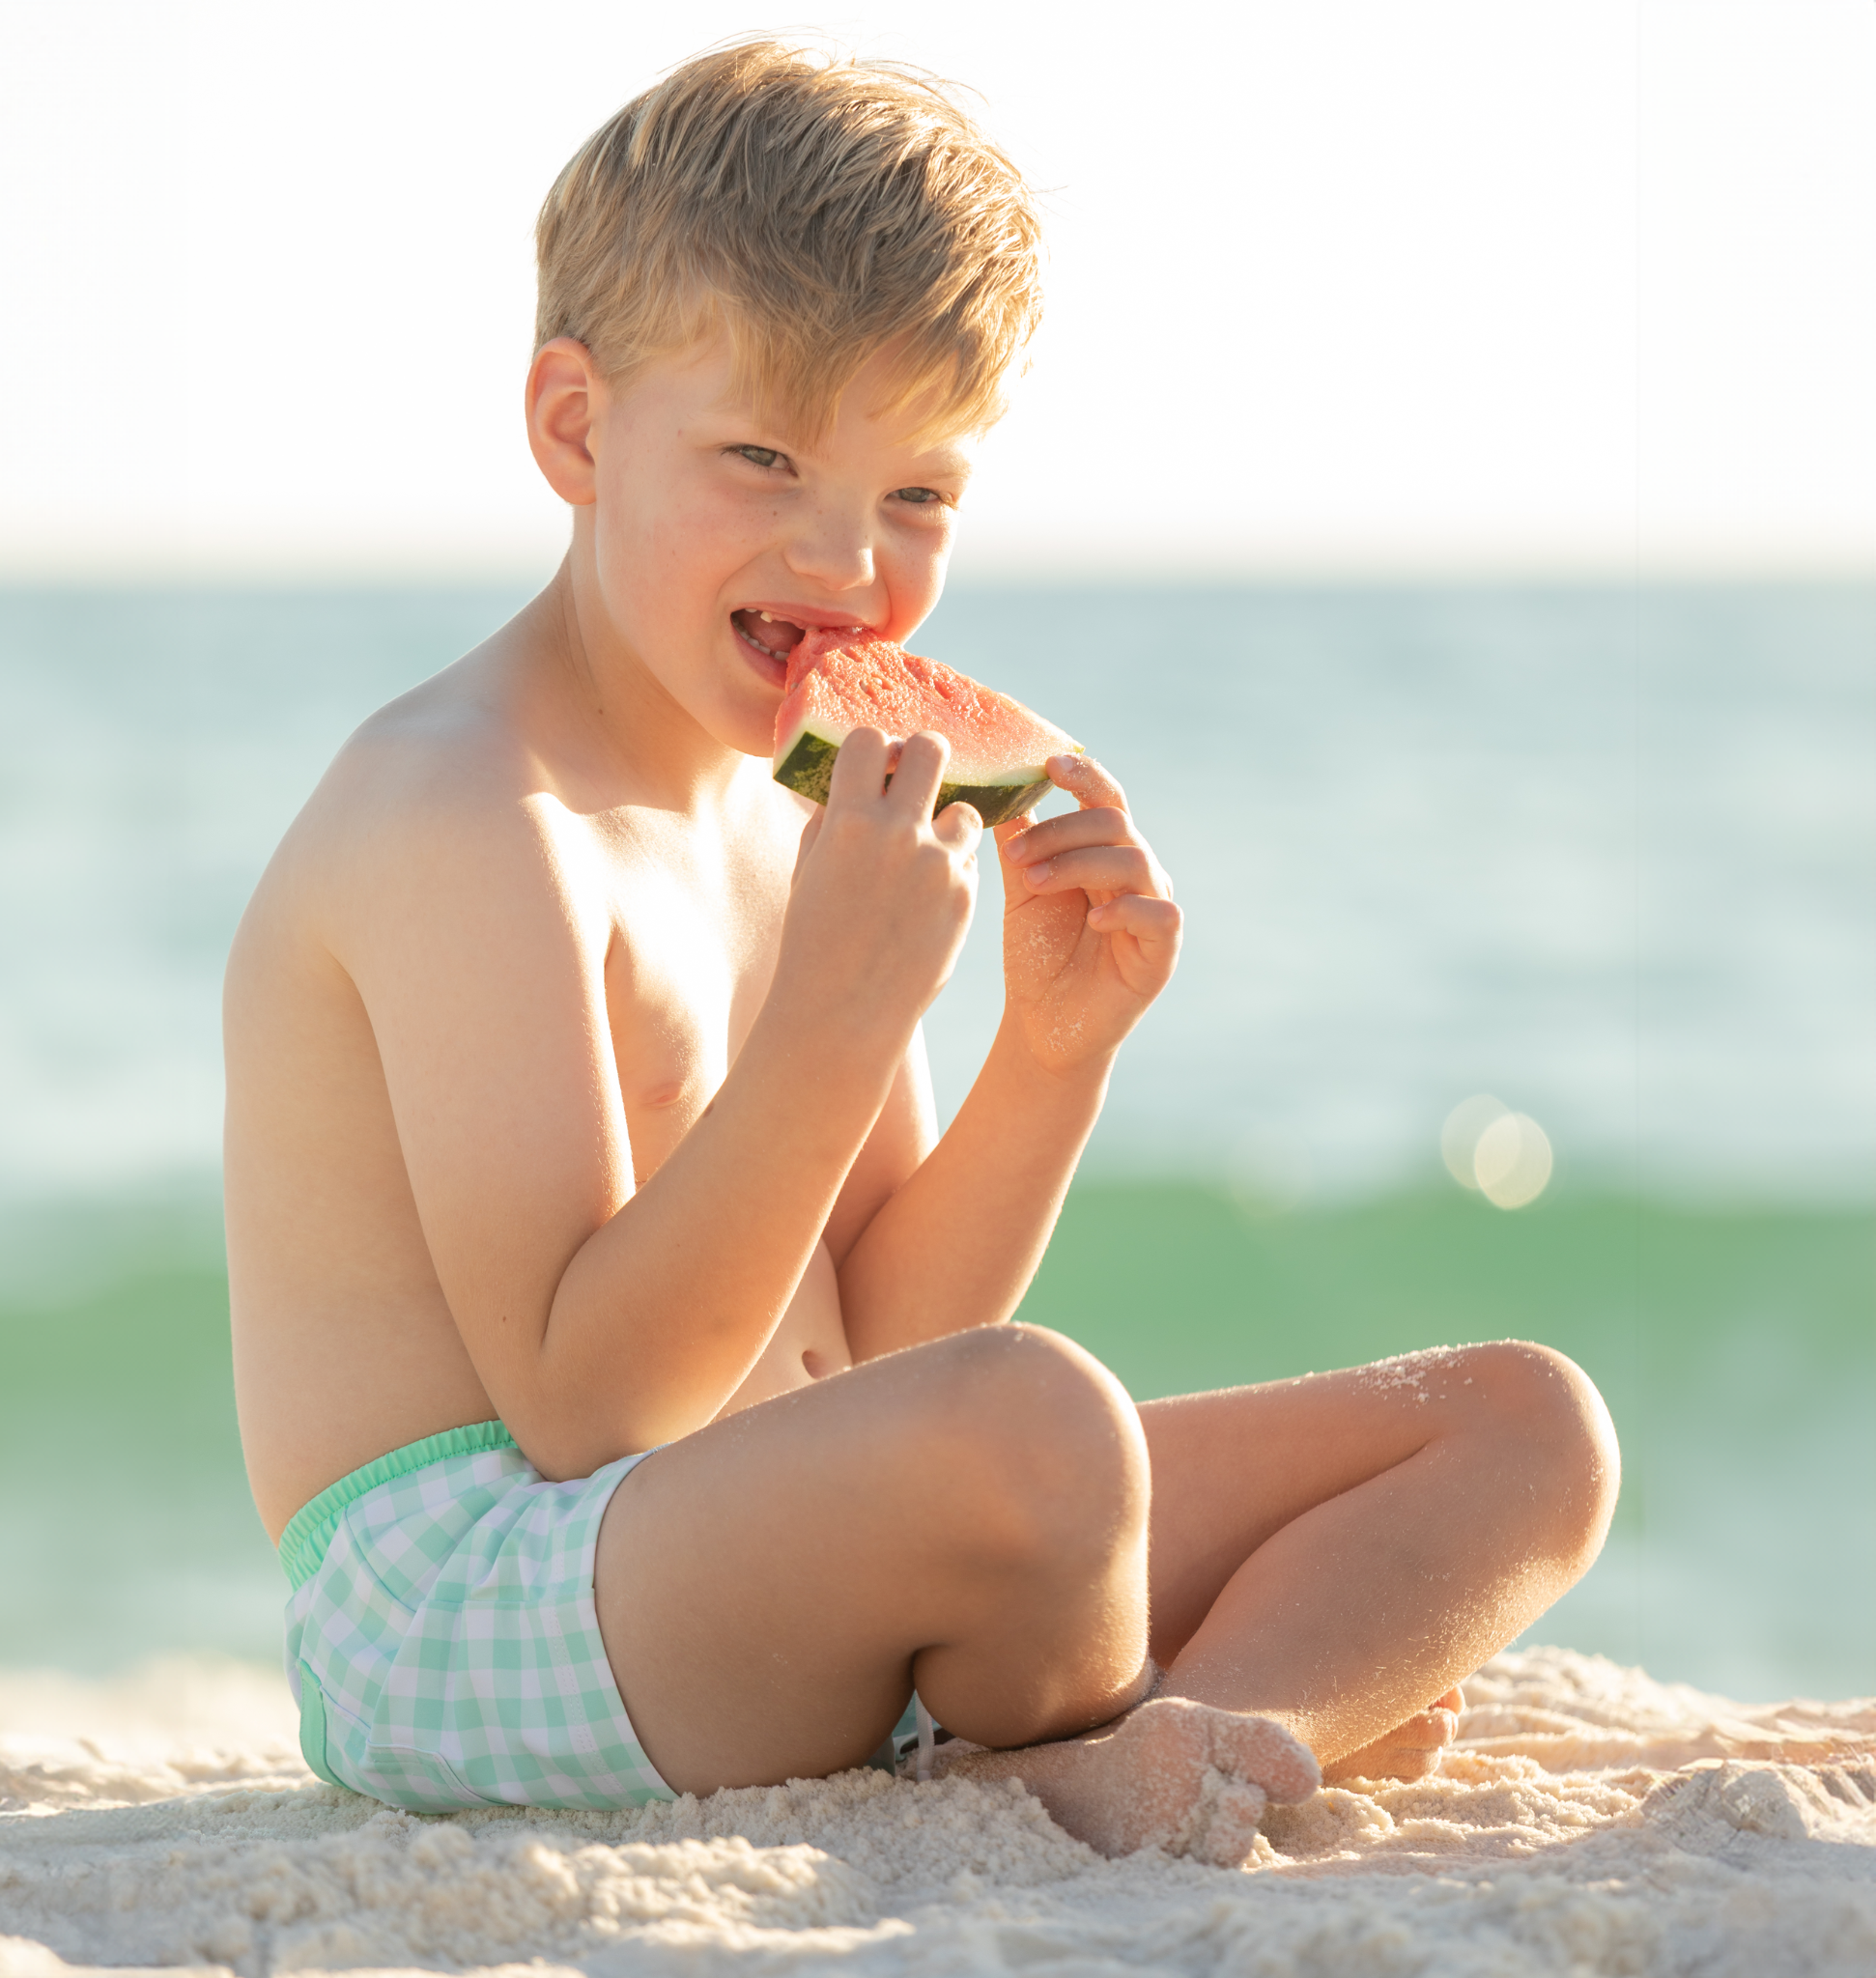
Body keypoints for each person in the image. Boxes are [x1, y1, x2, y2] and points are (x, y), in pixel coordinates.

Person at [223, 39, 1619, 1863]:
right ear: (577, 430)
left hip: (771, 1554)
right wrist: (831, 1021)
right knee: (1044, 1428)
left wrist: (1055, 1055)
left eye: (919, 498)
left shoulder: (807, 810)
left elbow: (888, 1343)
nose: (846, 564)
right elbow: (585, 1407)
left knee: (1524, 1426)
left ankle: (1197, 1743)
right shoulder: (467, 819)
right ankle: (1096, 1731)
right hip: (477, 1600)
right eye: (763, 459)